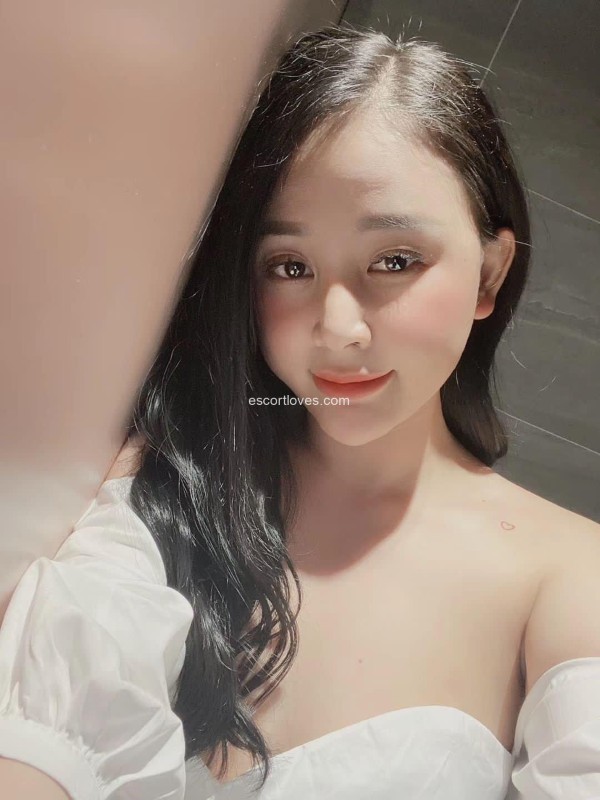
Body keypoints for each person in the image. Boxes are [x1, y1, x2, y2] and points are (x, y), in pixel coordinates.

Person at [1, 23, 600, 800]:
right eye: (290, 266)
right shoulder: (173, 486)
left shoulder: (568, 579)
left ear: (489, 275)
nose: (338, 328)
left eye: (395, 261)